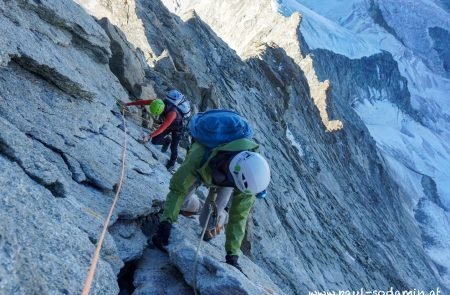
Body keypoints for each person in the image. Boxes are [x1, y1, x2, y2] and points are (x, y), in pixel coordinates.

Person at [151, 110, 271, 272]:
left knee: (207, 223)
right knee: (182, 202)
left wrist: (232, 254)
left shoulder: (247, 180)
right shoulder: (199, 154)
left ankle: (220, 217)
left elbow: (240, 215)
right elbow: (178, 188)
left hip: (227, 176)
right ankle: (201, 208)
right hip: (206, 166)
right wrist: (166, 221)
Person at [123, 90, 190, 170]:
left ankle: (171, 164)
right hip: (169, 125)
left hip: (178, 129)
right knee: (155, 141)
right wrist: (128, 104)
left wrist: (149, 136)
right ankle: (166, 141)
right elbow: (144, 102)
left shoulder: (172, 114)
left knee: (173, 146)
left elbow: (162, 128)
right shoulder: (157, 103)